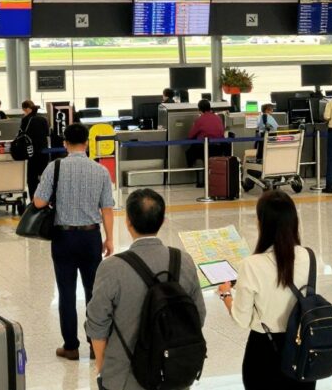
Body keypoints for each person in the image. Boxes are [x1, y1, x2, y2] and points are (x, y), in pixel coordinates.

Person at [86, 188, 205, 390]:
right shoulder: (183, 260)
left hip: (124, 377)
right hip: (173, 373)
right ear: (163, 220)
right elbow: (198, 314)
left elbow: (97, 324)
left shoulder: (112, 267)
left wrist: (103, 367)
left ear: (128, 222)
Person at [31, 123, 115, 361]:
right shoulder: (100, 170)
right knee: (93, 292)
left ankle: (70, 346)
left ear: (65, 143)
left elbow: (38, 202)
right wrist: (109, 238)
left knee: (66, 292)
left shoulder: (54, 167)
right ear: (87, 143)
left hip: (63, 237)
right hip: (90, 237)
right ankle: (94, 343)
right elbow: (107, 208)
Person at [217, 190, 315, 390]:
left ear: (262, 223)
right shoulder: (308, 256)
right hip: (301, 350)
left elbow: (241, 319)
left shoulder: (251, 264)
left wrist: (226, 294)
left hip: (264, 353)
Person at [185, 99, 226, 188]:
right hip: (218, 148)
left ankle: (199, 179)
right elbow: (221, 134)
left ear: (199, 109)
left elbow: (190, 136)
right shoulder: (218, 118)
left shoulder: (200, 120)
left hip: (204, 148)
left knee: (190, 152)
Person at [20, 99, 51, 197]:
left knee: (32, 177)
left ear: (27, 109)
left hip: (32, 151)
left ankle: (34, 198)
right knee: (43, 175)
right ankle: (45, 197)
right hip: (44, 151)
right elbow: (47, 133)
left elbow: (22, 134)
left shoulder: (26, 119)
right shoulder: (43, 118)